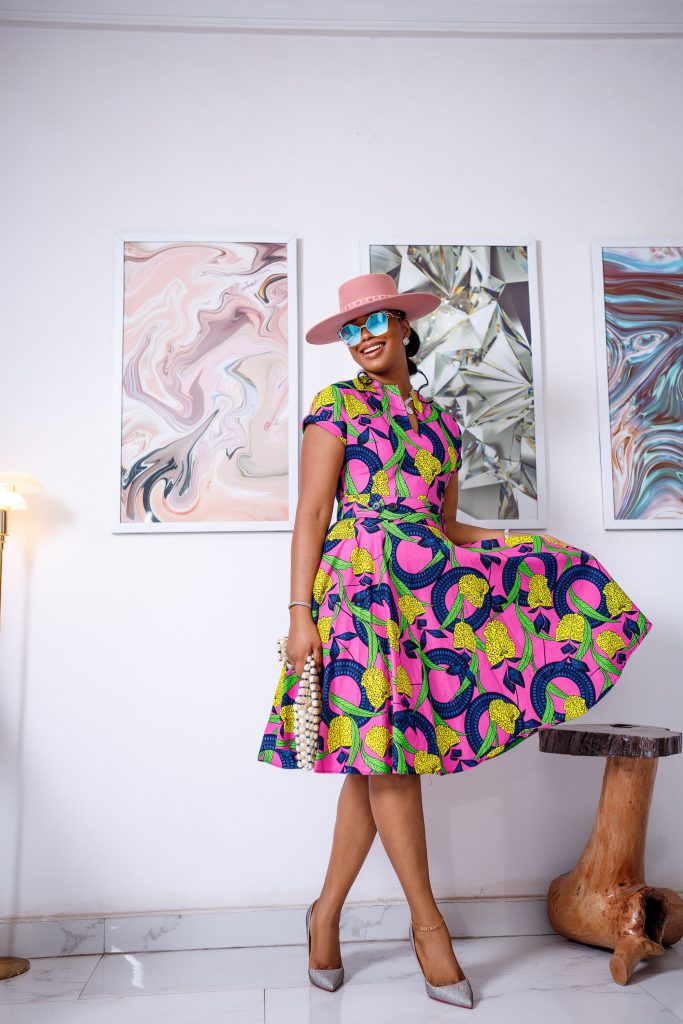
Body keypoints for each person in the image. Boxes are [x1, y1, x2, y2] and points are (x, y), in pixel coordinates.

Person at [257, 272, 654, 1008]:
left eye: (375, 322)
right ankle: (427, 927)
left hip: (421, 600)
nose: (363, 337)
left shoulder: (442, 424)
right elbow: (312, 514)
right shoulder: (335, 406)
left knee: (376, 761)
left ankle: (325, 915)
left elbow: (444, 527)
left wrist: (520, 544)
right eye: (350, 328)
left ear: (403, 326)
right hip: (357, 595)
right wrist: (298, 614)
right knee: (390, 762)